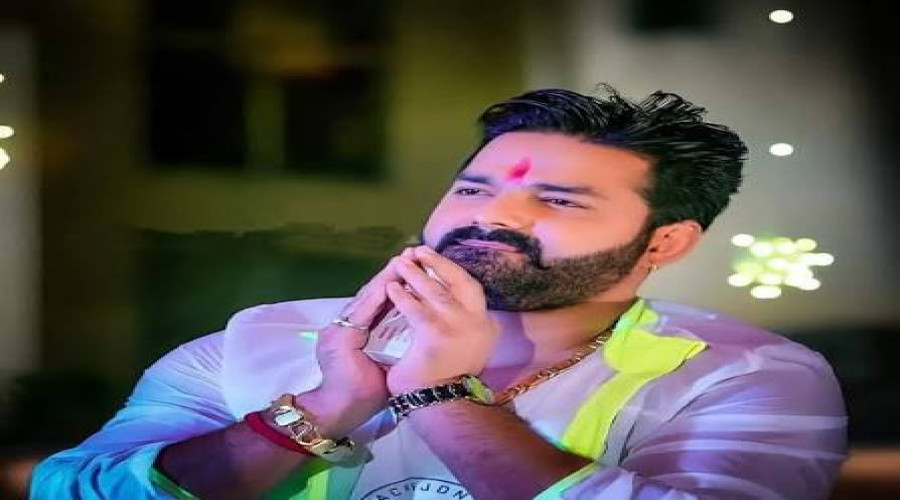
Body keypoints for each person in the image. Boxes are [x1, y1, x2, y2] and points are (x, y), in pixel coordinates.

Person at [32, 86, 847, 499]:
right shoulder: (262, 341)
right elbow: (65, 490)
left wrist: (441, 395)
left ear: (665, 241)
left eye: (559, 201)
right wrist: (321, 410)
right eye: (473, 188)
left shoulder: (740, 374)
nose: (494, 215)